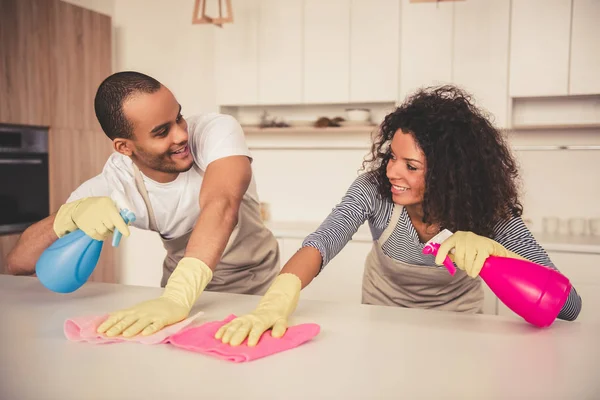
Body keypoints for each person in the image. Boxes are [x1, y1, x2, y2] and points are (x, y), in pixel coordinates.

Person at [214, 85, 583, 347]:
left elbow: (569, 306)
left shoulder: (487, 211)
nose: (392, 172)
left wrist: (498, 256)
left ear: (451, 173)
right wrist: (277, 298)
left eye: (411, 165)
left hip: (461, 326)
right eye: (392, 157)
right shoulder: (375, 191)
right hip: (382, 317)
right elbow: (323, 241)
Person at [7, 71, 280, 338]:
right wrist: (68, 216)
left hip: (258, 290)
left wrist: (177, 296)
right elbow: (18, 265)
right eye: (162, 132)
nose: (181, 135)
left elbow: (221, 205)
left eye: (179, 118)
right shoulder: (116, 184)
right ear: (124, 147)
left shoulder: (215, 131)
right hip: (184, 305)